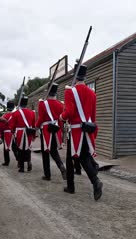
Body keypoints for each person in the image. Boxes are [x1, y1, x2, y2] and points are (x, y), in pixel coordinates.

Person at [59, 64, 103, 201]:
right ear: (85, 76)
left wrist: (61, 117)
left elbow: (69, 112)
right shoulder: (92, 93)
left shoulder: (70, 92)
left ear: (75, 77)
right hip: (88, 129)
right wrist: (93, 132)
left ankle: (95, 182)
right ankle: (71, 186)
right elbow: (93, 116)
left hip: (76, 131)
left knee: (79, 158)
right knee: (77, 157)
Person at [35, 83, 66, 181]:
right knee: (53, 151)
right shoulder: (60, 104)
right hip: (56, 129)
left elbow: (40, 118)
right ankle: (61, 165)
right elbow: (61, 120)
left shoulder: (42, 104)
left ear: (47, 92)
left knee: (45, 153)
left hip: (46, 130)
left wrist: (36, 127)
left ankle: (47, 175)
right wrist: (60, 131)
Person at [9, 96, 36, 173]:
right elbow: (33, 125)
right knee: (28, 148)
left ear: (20, 104)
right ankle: (29, 162)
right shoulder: (32, 113)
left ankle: (22, 168)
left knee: (20, 149)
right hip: (29, 131)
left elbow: (12, 125)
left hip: (20, 132)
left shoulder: (16, 113)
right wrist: (34, 135)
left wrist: (13, 132)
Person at [0, 101, 18, 166]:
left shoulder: (4, 115)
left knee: (6, 148)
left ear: (7, 107)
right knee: (14, 148)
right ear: (13, 107)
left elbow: (0, 125)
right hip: (14, 133)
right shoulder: (15, 114)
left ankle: (7, 162)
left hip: (6, 133)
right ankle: (19, 161)